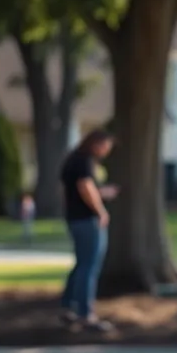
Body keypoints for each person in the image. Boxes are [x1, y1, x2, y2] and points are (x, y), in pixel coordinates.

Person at [58, 129, 117, 332]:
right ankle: (85, 313)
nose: (106, 151)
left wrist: (101, 193)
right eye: (105, 146)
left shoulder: (72, 160)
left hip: (74, 218)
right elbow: (85, 187)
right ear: (97, 143)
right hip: (87, 220)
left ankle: (68, 306)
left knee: (81, 263)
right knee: (89, 266)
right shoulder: (84, 161)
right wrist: (100, 210)